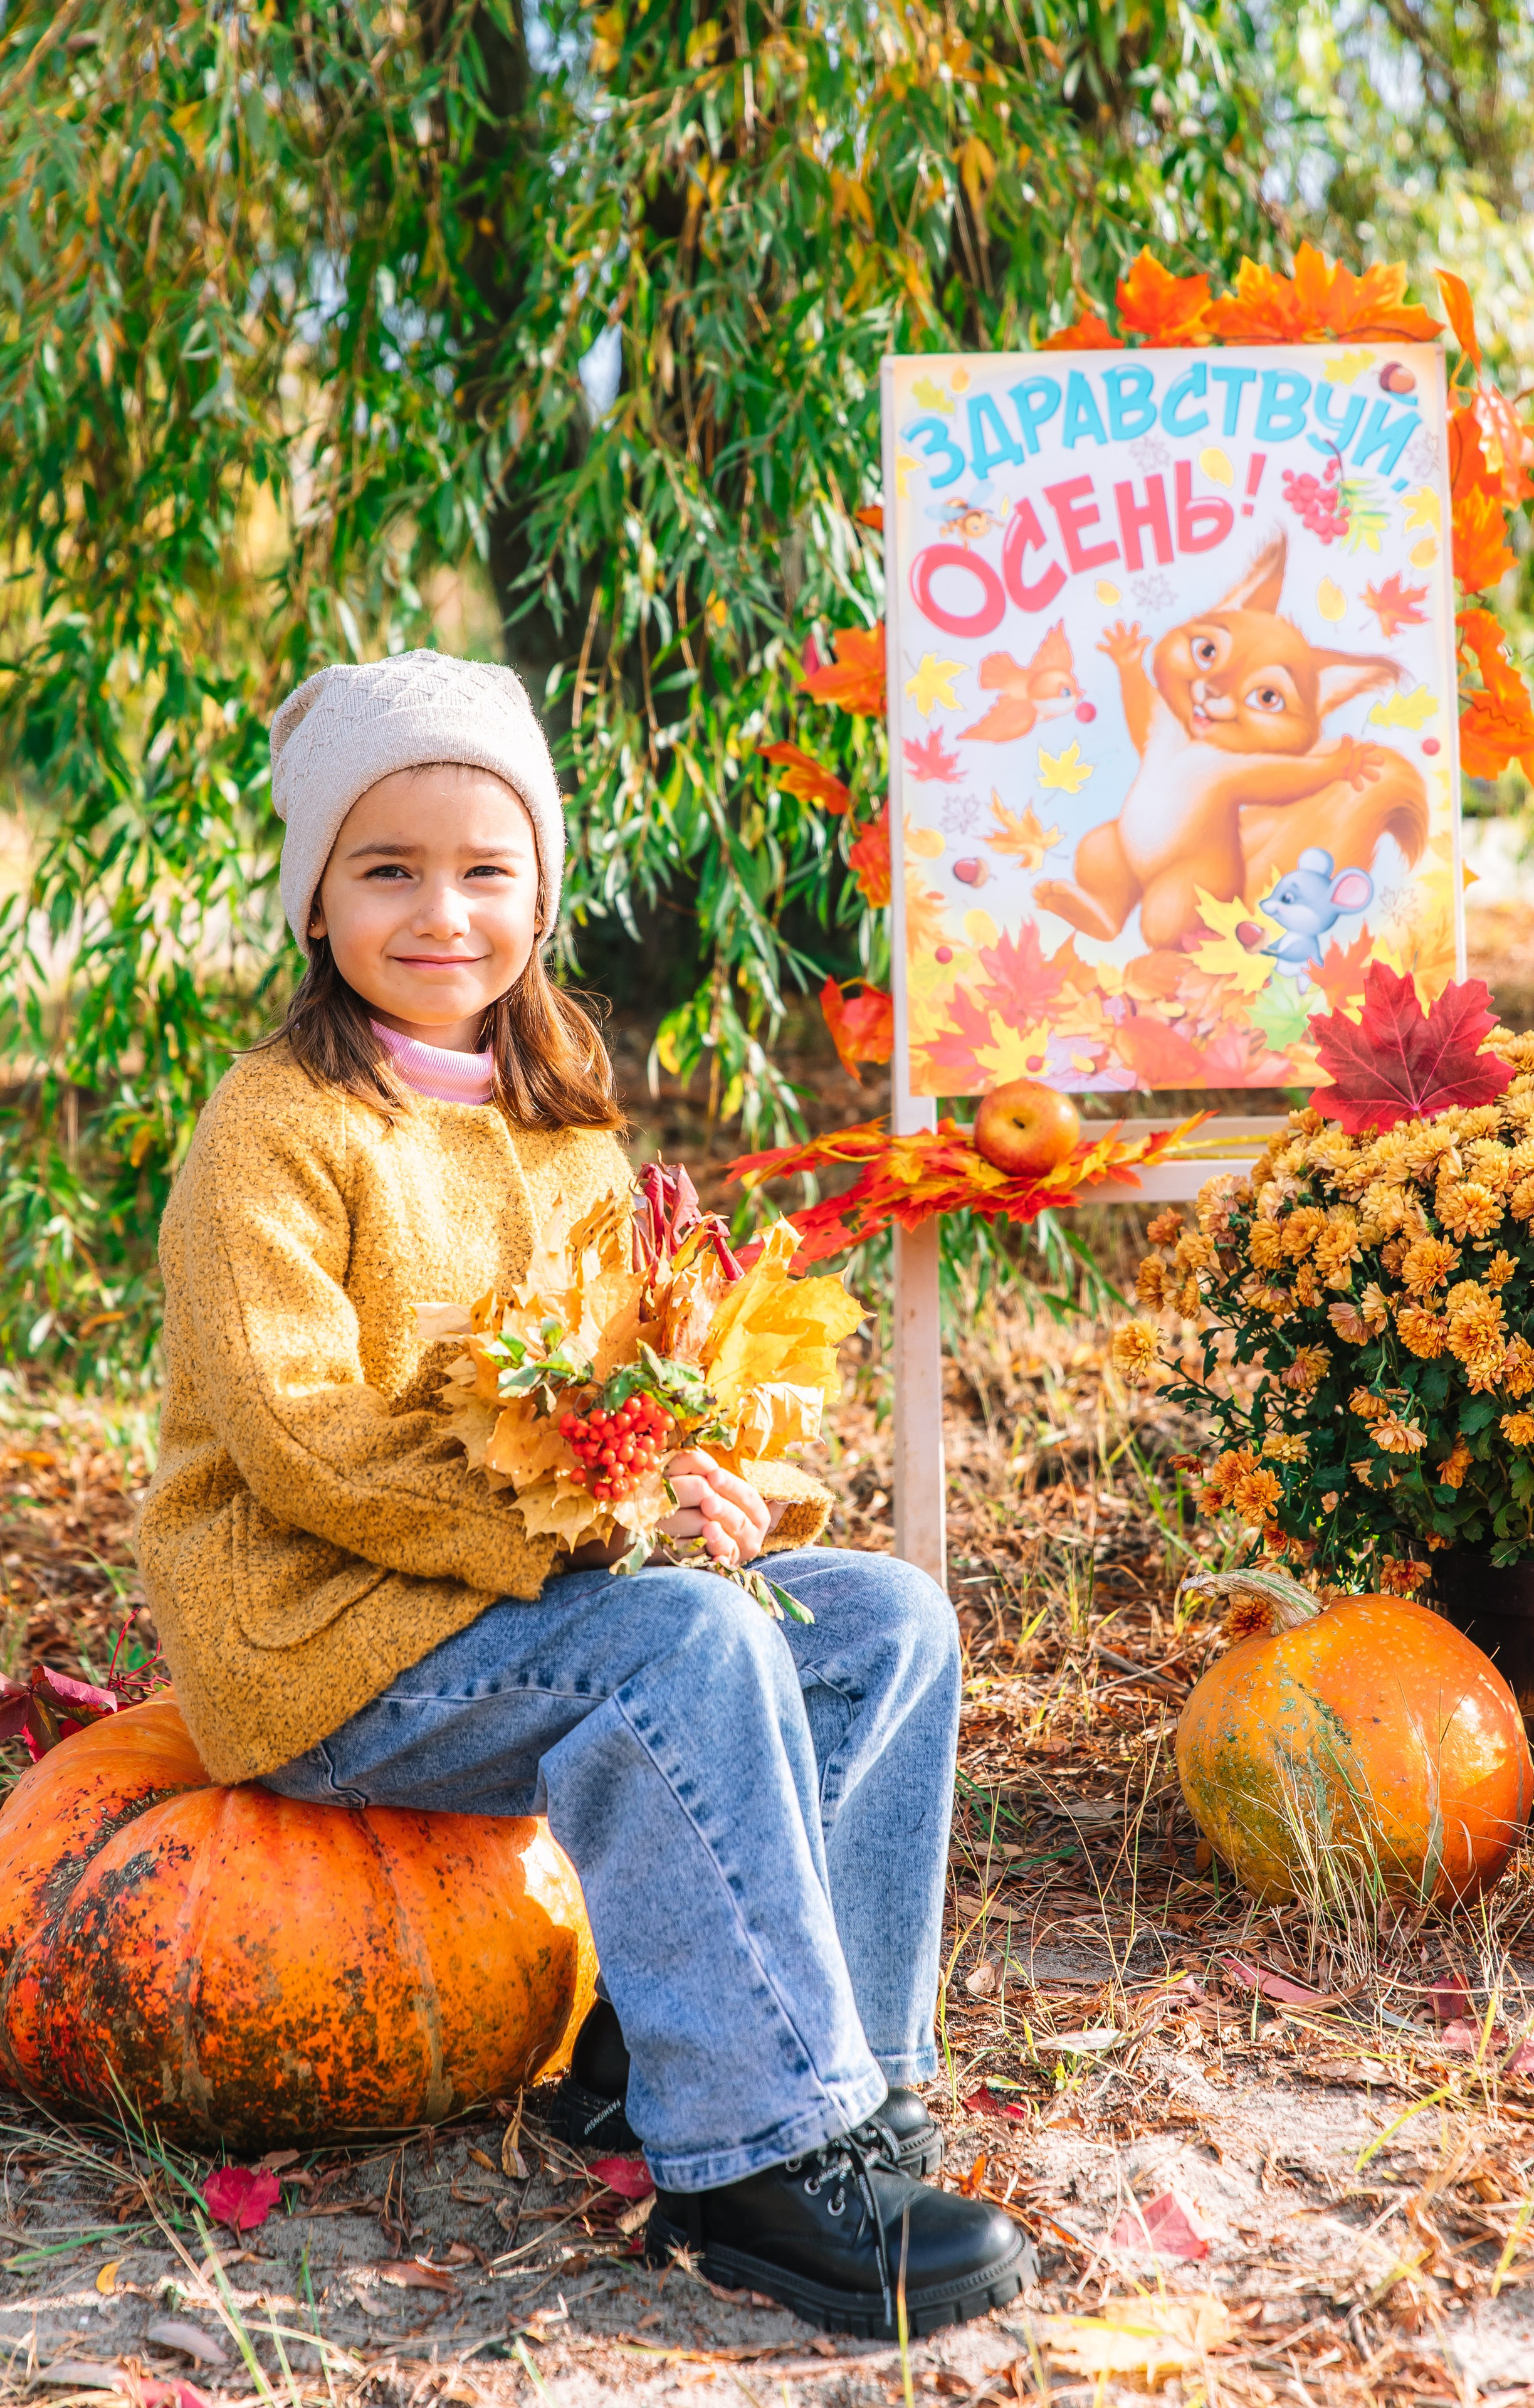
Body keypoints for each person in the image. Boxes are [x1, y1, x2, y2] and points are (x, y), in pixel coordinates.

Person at [140, 651, 1034, 2340]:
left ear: (541, 892)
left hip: (520, 1598)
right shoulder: (276, 1130)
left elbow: (643, 1375)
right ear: (314, 899)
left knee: (878, 1623)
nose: (442, 914)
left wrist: (718, 1480)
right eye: (386, 868)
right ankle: (759, 2171)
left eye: (487, 871)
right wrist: (592, 1527)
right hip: (326, 1640)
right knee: (684, 1652)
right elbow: (301, 1440)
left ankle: (757, 2056)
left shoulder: (566, 1129)